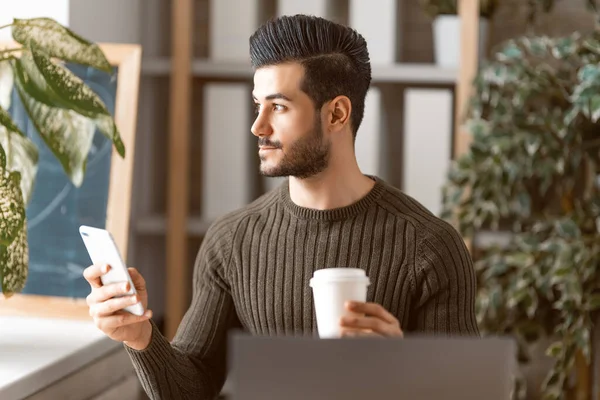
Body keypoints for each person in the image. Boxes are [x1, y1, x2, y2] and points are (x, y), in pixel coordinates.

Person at [83, 14, 479, 400]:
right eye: (257, 104)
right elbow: (193, 386)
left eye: (279, 106)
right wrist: (140, 338)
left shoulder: (430, 247)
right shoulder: (231, 241)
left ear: (337, 114)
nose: (258, 126)